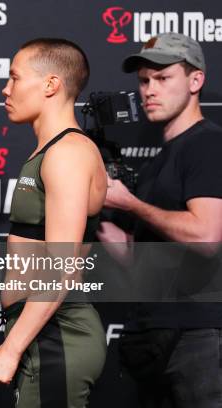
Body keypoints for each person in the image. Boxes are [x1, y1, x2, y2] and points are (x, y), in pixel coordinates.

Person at [0, 38, 108, 407]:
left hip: (58, 334)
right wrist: (8, 344)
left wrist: (10, 350)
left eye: (14, 78)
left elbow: (62, 268)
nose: (6, 88)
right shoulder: (51, 151)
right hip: (41, 331)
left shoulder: (66, 153)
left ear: (51, 85)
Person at [98, 32, 222, 407]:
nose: (149, 89)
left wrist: (132, 204)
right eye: (144, 80)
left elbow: (206, 235)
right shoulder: (158, 162)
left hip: (199, 336)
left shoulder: (207, 144)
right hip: (156, 336)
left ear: (196, 80)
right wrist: (95, 212)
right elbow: (140, 255)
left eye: (163, 78)